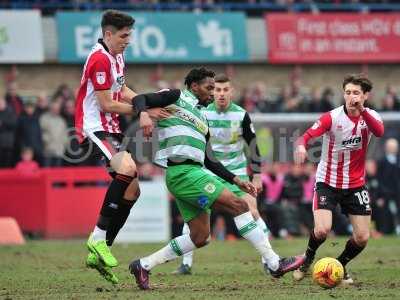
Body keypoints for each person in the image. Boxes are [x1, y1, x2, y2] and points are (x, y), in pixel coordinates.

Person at [128, 67, 305, 290]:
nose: (213, 93)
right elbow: (141, 98)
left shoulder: (203, 119)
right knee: (240, 206)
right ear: (194, 86)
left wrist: (236, 179)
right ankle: (274, 263)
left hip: (193, 172)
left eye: (216, 88)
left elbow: (210, 160)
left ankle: (143, 265)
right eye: (209, 88)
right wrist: (143, 113)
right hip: (183, 172)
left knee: (200, 237)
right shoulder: (176, 97)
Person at [75, 10, 167, 284]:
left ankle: (101, 250)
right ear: (108, 34)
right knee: (127, 167)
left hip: (111, 128)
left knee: (132, 189)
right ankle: (97, 238)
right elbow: (106, 104)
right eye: (124, 36)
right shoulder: (100, 59)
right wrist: (142, 113)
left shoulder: (116, 55)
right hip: (93, 127)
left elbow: (123, 90)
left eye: (130, 35)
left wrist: (145, 103)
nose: (128, 40)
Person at [174, 73, 273, 275]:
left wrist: (256, 176)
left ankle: (269, 260)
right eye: (217, 89)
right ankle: (186, 264)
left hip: (237, 174)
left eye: (225, 90)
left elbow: (253, 147)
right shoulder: (202, 113)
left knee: (252, 212)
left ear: (231, 92)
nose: (221, 94)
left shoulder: (241, 115)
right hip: (207, 172)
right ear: (212, 91)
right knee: (196, 216)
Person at [293, 74, 384, 284]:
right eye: (348, 92)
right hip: (328, 182)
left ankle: (340, 266)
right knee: (322, 230)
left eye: (356, 93)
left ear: (365, 96)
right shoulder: (332, 117)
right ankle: (307, 259)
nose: (351, 96)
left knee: (362, 237)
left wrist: (361, 110)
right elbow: (305, 136)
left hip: (356, 185)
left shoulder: (371, 116)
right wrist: (300, 146)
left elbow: (378, 132)